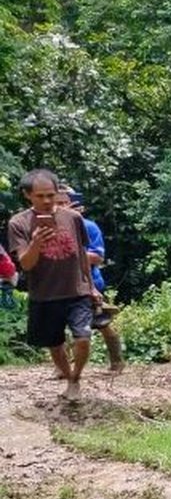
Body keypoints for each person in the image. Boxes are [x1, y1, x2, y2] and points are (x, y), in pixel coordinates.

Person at [8, 169, 98, 400]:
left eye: (51, 194)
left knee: (83, 338)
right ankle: (68, 379)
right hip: (44, 294)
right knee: (55, 343)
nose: (47, 201)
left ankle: (76, 378)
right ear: (28, 195)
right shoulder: (18, 223)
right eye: (41, 196)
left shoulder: (74, 218)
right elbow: (26, 264)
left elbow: (82, 255)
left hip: (76, 290)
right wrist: (36, 242)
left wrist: (92, 287)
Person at [60, 187, 124, 372]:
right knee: (58, 324)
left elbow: (97, 256)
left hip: (89, 282)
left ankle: (117, 360)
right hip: (60, 283)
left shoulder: (88, 227)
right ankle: (61, 367)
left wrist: (71, 255)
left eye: (64, 203)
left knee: (101, 321)